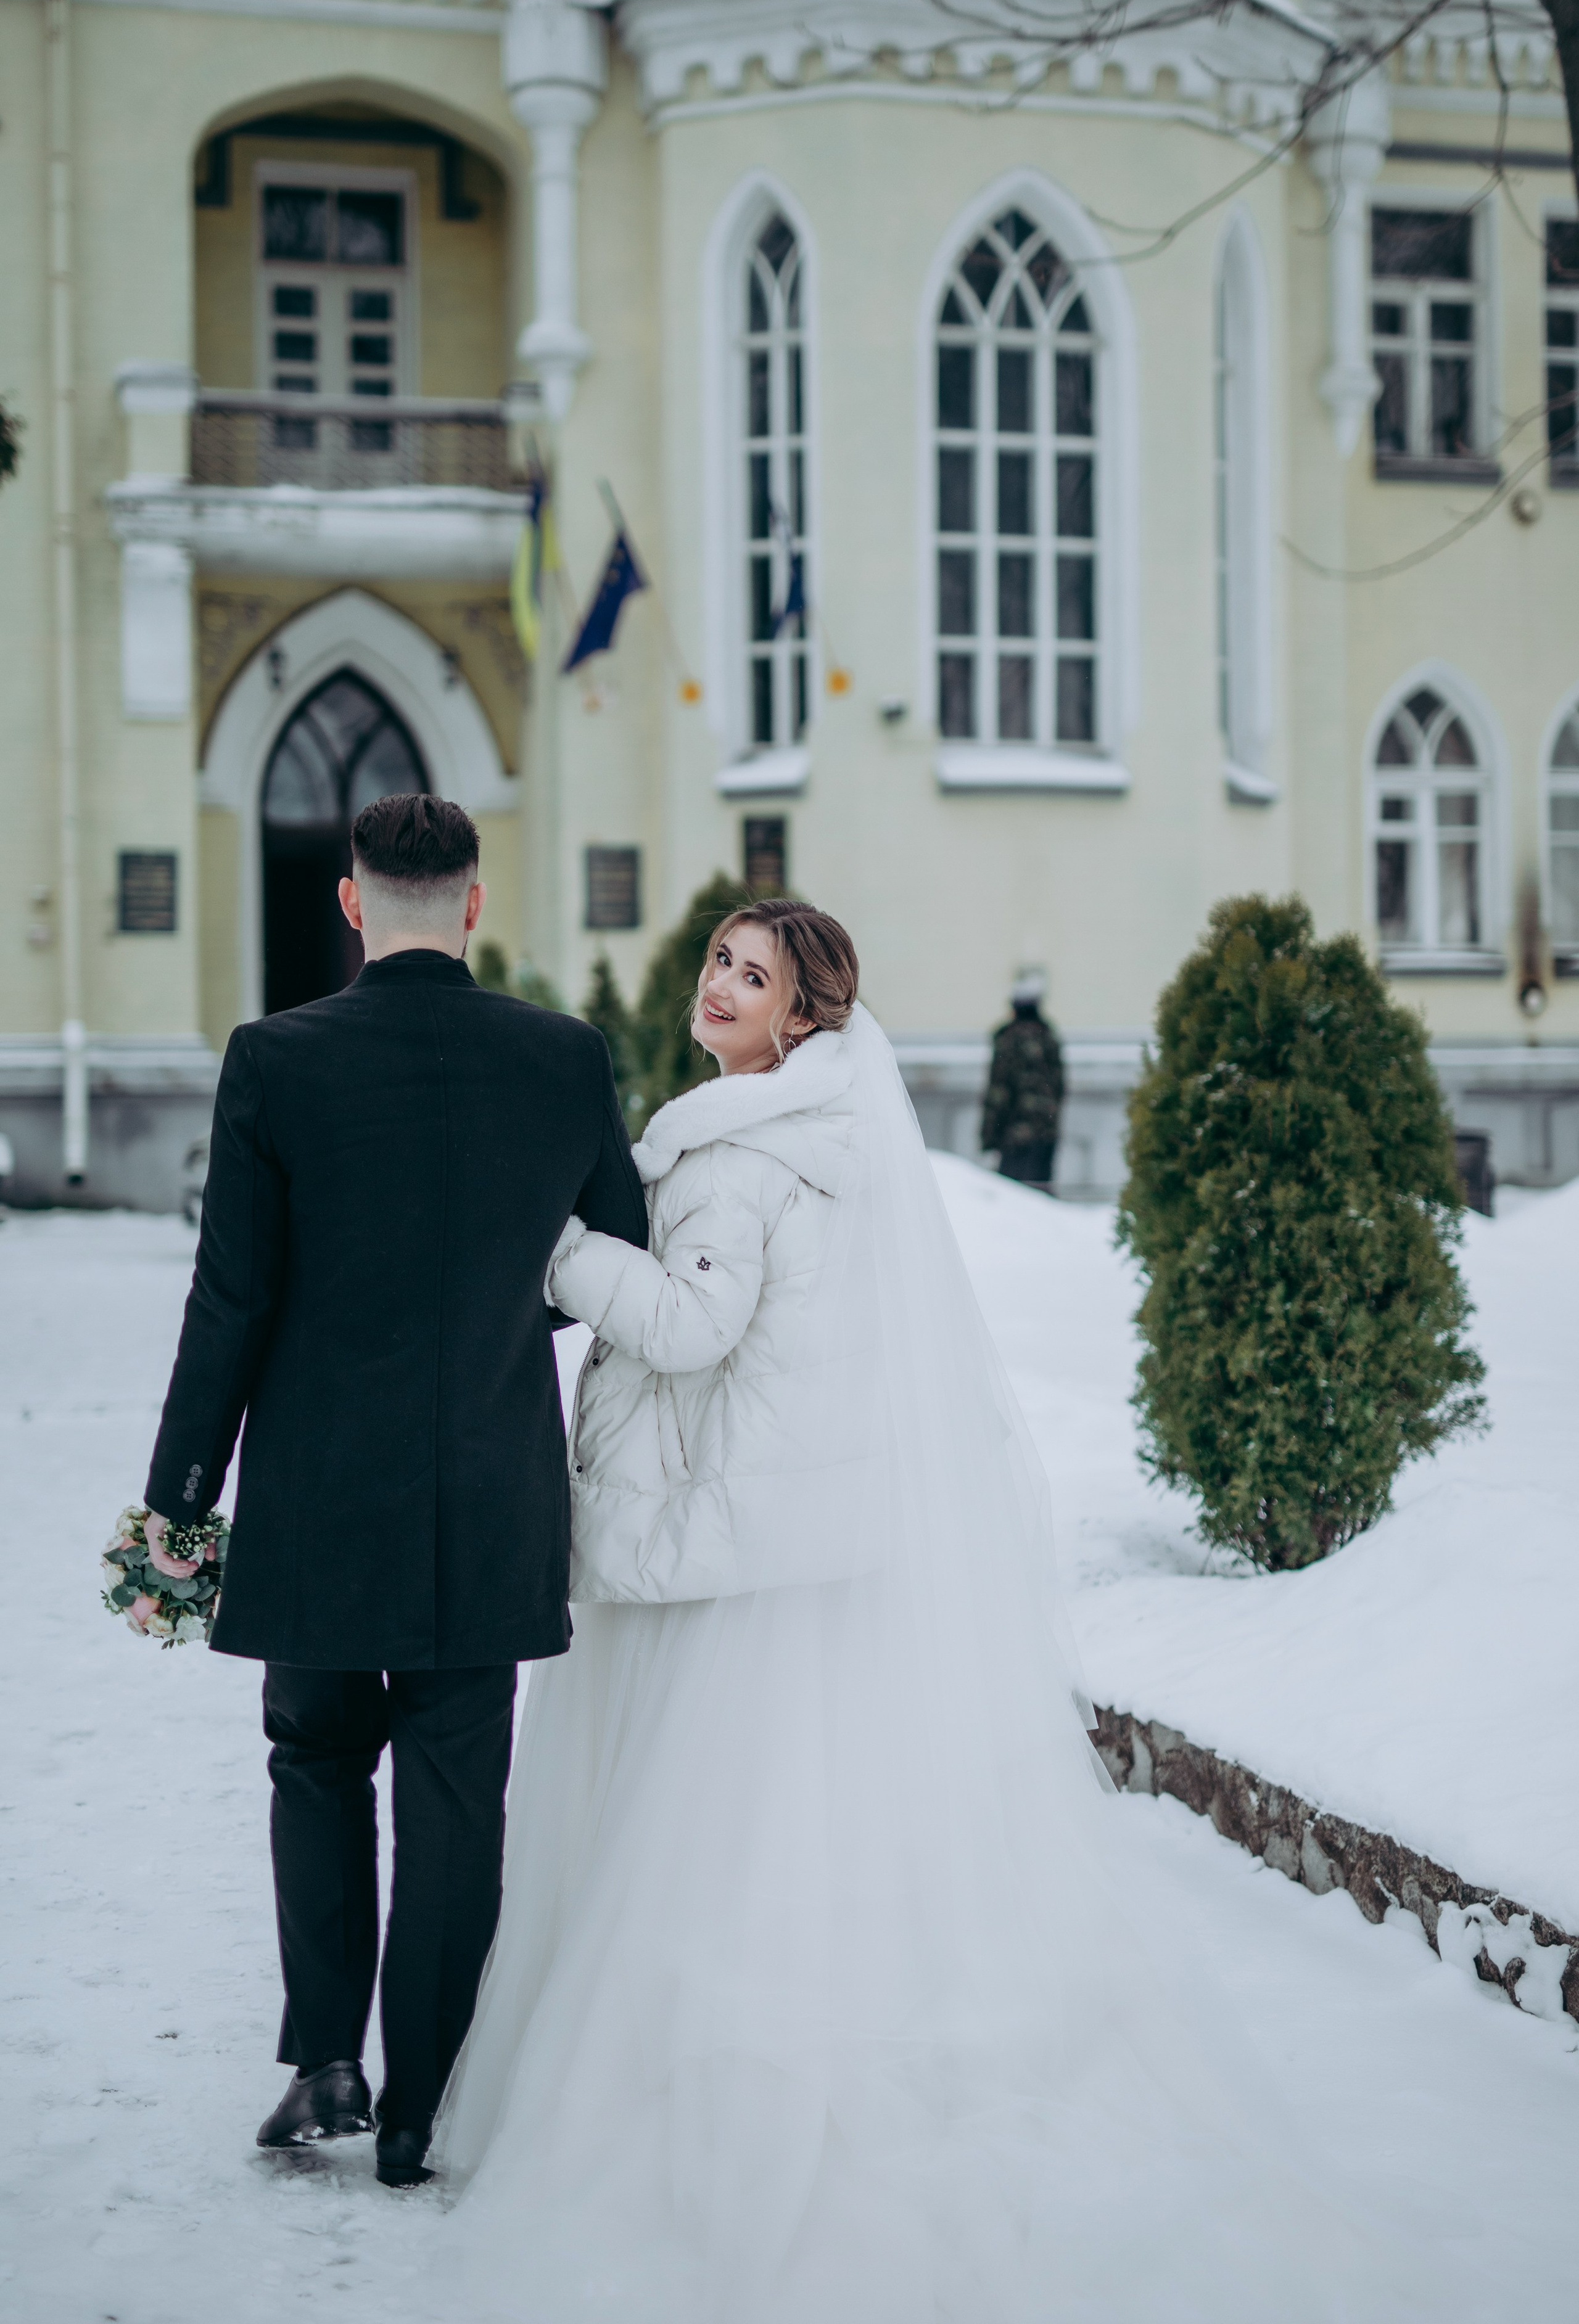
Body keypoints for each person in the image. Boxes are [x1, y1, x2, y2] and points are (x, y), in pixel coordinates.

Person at [425, 901, 1411, 2322]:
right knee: (789, 1842)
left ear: (801, 1018)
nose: (718, 985)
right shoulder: (826, 1136)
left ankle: (722, 2115)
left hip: (723, 1554)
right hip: (789, 1539)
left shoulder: (738, 1151)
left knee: (704, 1854)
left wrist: (559, 1249)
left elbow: (692, 1329)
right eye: (718, 961)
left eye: (751, 975)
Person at [140, 793, 646, 2189]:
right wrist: (493, 1313)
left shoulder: (274, 1059)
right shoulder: (563, 1056)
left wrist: (181, 1496)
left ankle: (326, 2062)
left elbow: (231, 1299)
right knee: (457, 1792)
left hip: (315, 1491)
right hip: (490, 1479)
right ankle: (424, 2103)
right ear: (473, 904)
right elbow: (616, 1252)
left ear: (353, 903)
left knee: (314, 1762)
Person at [980, 969, 1065, 1188]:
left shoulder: (1009, 1039)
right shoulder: (1049, 1037)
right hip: (1046, 1132)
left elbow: (998, 1093)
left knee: (1013, 1197)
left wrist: (989, 1139)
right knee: (1039, 1193)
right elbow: (1060, 1087)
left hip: (1014, 1136)